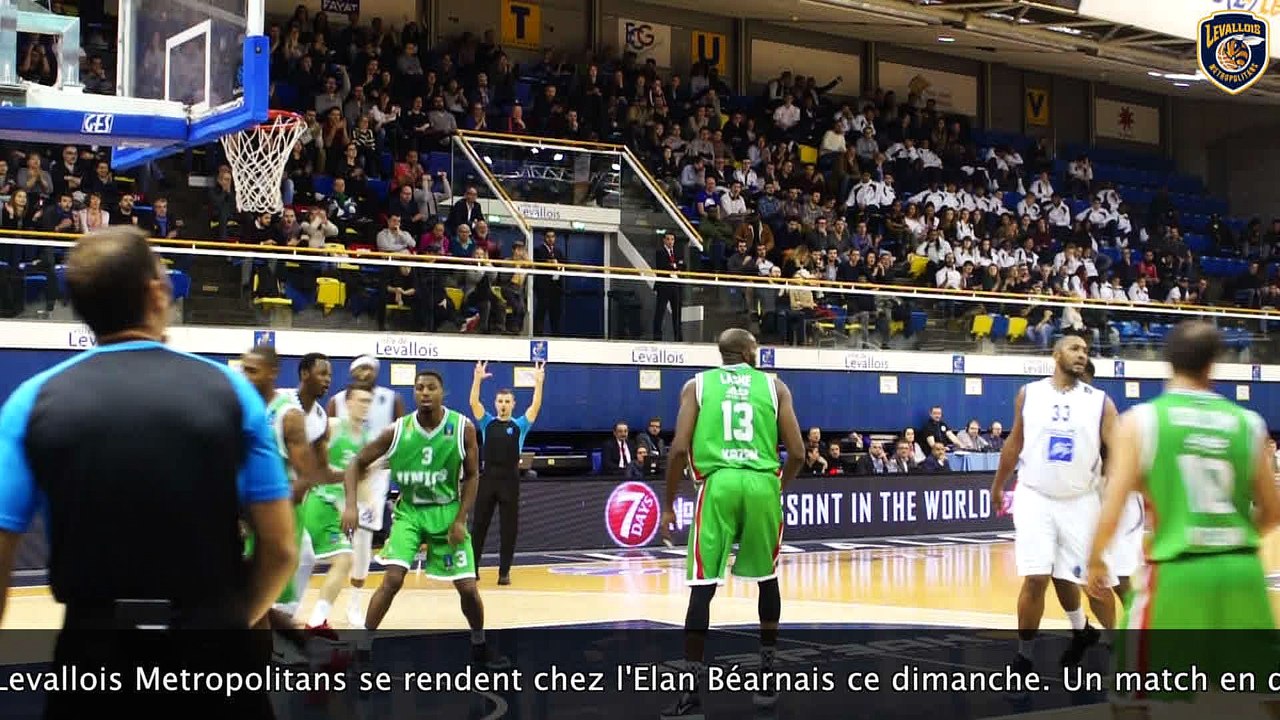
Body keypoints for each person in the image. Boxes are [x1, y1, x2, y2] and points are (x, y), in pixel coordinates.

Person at [0, 227, 295, 719]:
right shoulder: (231, 391)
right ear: (156, 293)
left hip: (92, 658)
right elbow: (281, 547)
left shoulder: (29, 403)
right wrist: (229, 621)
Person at [1087, 321, 1280, 717]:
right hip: (1242, 572)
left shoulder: (1143, 421)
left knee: (1129, 695)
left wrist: (1095, 557)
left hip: (1177, 573)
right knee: (1269, 693)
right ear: (1214, 365)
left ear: (1167, 360)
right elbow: (1273, 510)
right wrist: (1234, 538)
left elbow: (1114, 500)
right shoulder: (1250, 423)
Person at [658, 328, 805, 718]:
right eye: (757, 347)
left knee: (702, 587)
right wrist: (777, 488)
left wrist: (669, 505)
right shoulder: (776, 386)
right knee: (767, 580)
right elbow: (799, 453)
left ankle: (690, 695)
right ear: (746, 351)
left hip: (718, 484)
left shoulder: (697, 385)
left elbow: (676, 451)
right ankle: (768, 678)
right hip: (762, 484)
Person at [342, 369, 508, 668]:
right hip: (410, 512)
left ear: (443, 393)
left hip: (447, 512)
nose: (425, 393)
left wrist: (460, 519)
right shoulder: (398, 430)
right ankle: (363, 648)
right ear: (414, 393)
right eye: (419, 388)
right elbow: (356, 463)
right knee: (392, 579)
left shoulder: (462, 428)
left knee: (469, 588)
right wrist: (351, 505)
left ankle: (479, 644)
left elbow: (472, 476)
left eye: (431, 387)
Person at [990, 334, 1119, 674]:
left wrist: (1118, 496)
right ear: (1056, 352)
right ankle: (1024, 655)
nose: (1081, 355)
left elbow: (1120, 453)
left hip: (1082, 500)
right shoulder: (1029, 394)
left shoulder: (1101, 401)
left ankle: (1116, 644)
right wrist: (998, 484)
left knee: (1095, 582)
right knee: (1035, 578)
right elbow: (1014, 442)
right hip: (1035, 496)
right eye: (1075, 348)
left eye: (1086, 351)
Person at [326, 355, 403, 627]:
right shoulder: (336, 401)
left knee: (362, 544)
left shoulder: (392, 399)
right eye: (360, 367)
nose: (365, 372)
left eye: (370, 367)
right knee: (322, 542)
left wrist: (383, 464)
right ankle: (312, 604)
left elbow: (400, 441)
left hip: (373, 480)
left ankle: (354, 605)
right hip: (339, 478)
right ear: (351, 372)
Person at [468, 359, 546, 585]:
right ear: (495, 403)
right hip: (488, 478)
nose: (503, 405)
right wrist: (477, 379)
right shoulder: (487, 423)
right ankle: (472, 569)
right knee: (479, 525)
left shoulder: (520, 425)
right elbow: (473, 402)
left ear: (513, 404)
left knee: (508, 528)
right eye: (500, 401)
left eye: (507, 401)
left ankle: (504, 572)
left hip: (510, 480)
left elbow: (536, 405)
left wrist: (538, 383)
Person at [1081, 360, 1143, 606]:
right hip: (1090, 494)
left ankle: (1143, 629)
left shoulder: (1102, 408)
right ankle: (1112, 637)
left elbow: (1122, 455)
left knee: (1122, 574)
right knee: (1091, 575)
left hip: (1117, 491)